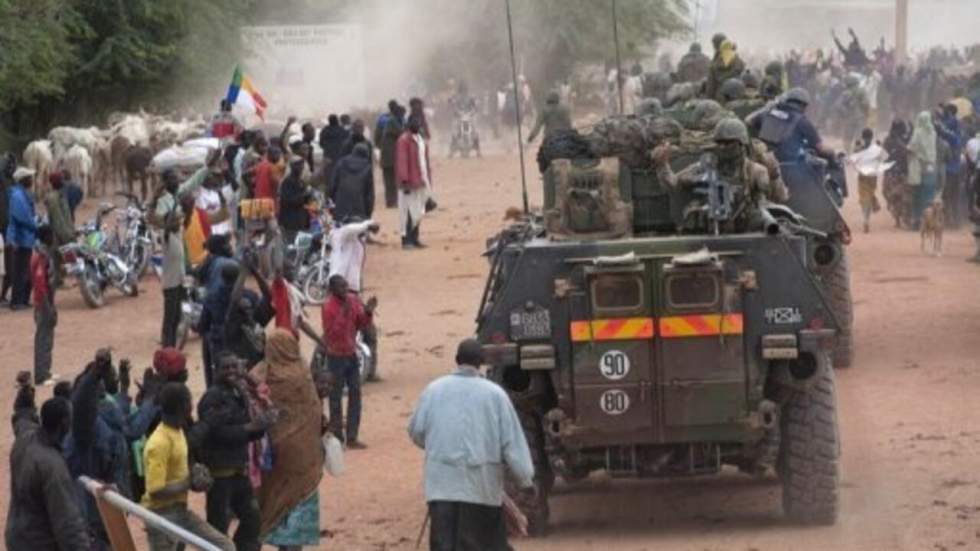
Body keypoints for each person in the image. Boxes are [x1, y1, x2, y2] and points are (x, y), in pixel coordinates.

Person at [407, 339, 535, 551]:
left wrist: (437, 448)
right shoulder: (495, 395)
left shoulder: (433, 391)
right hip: (481, 490)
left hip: (441, 488)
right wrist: (525, 479)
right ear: (482, 362)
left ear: (457, 361)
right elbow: (512, 443)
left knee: (444, 545)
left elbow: (416, 431)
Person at [252, 329, 324, 550]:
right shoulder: (303, 372)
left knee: (274, 501)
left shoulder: (259, 374)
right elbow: (315, 411)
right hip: (304, 458)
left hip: (274, 459)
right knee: (298, 501)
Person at [194, 353, 274, 551]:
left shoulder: (238, 394)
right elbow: (213, 433)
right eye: (225, 368)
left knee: (253, 520)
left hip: (240, 473)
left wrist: (261, 426)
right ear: (216, 370)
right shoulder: (212, 397)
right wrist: (248, 428)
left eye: (234, 367)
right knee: (218, 528)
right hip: (220, 476)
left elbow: (248, 431)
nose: (231, 371)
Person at [143, 383, 235, 551]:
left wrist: (198, 477)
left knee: (224, 547)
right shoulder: (159, 443)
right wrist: (188, 482)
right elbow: (155, 489)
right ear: (185, 406)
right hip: (161, 515)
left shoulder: (177, 432)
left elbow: (180, 471)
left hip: (180, 511)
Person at [653, 118, 782, 233]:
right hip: (710, 236)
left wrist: (775, 176)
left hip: (746, 235)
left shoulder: (755, 171)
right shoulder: (704, 167)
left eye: (728, 143)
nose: (722, 147)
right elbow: (673, 185)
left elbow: (774, 201)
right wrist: (662, 165)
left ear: (742, 144)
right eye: (719, 143)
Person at [6, 377, 91, 551]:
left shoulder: (26, 440)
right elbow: (67, 522)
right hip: (40, 543)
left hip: (17, 536)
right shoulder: (53, 467)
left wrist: (25, 394)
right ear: (64, 423)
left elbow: (22, 417)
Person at [149, 150, 223, 347]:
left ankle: (176, 341)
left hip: (182, 260)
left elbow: (194, 181)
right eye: (172, 178)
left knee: (181, 305)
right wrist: (168, 217)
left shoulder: (178, 195)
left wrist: (208, 166)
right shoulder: (164, 203)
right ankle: (168, 345)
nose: (176, 181)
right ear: (165, 183)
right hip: (172, 264)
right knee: (171, 311)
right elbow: (160, 220)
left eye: (177, 178)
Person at [321, 274, 376, 448]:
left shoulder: (352, 300)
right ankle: (337, 435)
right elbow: (331, 332)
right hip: (335, 355)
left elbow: (361, 324)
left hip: (350, 352)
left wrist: (367, 312)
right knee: (335, 396)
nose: (345, 290)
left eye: (346, 287)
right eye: (341, 288)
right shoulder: (328, 307)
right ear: (332, 290)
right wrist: (345, 311)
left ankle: (352, 436)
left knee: (355, 394)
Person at [748, 87, 835, 164]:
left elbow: (748, 121)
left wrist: (767, 107)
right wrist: (832, 154)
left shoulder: (768, 112)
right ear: (803, 105)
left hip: (764, 161)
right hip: (790, 167)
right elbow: (820, 148)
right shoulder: (802, 121)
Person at [396, 117, 432, 249]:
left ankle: (415, 238)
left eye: (418, 123)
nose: (417, 125)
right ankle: (406, 240)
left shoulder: (420, 140)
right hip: (408, 183)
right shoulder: (403, 140)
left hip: (421, 181)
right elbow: (402, 161)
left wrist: (428, 180)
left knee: (418, 212)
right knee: (406, 212)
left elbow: (424, 162)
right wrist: (404, 181)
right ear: (408, 125)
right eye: (415, 123)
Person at [6, 167, 38, 310]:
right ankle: (16, 301)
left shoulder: (21, 194)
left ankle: (22, 300)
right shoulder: (18, 196)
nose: (32, 180)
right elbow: (23, 217)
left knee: (25, 269)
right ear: (24, 180)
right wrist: (36, 226)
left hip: (25, 237)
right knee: (20, 271)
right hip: (21, 238)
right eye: (30, 178)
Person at [32, 225, 59, 386]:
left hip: (48, 299)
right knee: (42, 338)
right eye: (51, 236)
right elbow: (41, 284)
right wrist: (48, 306)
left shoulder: (45, 253)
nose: (54, 239)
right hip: (43, 302)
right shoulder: (41, 256)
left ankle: (46, 371)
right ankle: (41, 375)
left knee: (48, 337)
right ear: (46, 237)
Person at [848, 128, 888, 233]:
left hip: (862, 176)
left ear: (863, 137)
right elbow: (883, 158)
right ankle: (867, 218)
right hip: (872, 176)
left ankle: (866, 219)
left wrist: (856, 148)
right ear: (871, 137)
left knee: (863, 198)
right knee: (869, 197)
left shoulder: (859, 147)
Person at [180, 188, 229, 269]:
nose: (188, 202)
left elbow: (222, 215)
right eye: (186, 200)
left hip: (204, 261)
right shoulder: (176, 218)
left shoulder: (201, 214)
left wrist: (222, 200)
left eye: (190, 200)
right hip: (185, 264)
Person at [329, 218, 380, 294]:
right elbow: (351, 228)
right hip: (337, 282)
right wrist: (367, 226)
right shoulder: (343, 235)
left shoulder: (358, 240)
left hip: (351, 284)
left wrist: (371, 224)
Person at [329, 143, 375, 222]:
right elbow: (369, 195)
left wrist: (333, 204)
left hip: (341, 208)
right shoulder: (367, 167)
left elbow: (333, 186)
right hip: (360, 210)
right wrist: (368, 214)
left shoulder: (341, 163)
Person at [908, 110, 939, 229]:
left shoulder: (918, 132)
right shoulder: (933, 133)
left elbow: (912, 147)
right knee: (929, 194)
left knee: (917, 194)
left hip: (918, 167)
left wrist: (907, 149)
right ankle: (930, 221)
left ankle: (917, 221)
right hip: (931, 166)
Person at [936, 103, 965, 227]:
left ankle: (950, 221)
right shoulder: (957, 128)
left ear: (950, 113)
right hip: (957, 167)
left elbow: (943, 129)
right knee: (954, 195)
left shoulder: (952, 130)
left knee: (948, 195)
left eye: (946, 112)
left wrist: (938, 120)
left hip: (949, 168)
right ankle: (955, 220)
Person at [45, 173, 74, 287]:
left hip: (62, 231)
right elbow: (58, 220)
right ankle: (58, 281)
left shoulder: (60, 195)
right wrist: (67, 235)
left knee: (59, 258)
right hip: (58, 234)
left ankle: (59, 280)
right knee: (58, 257)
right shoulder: (54, 198)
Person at [375, 102, 405, 208]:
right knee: (392, 180)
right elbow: (402, 132)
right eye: (402, 114)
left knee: (389, 180)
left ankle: (391, 201)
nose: (403, 116)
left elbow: (376, 137)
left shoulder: (384, 120)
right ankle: (392, 201)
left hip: (387, 155)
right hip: (391, 156)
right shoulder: (393, 122)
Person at [883, 120, 912, 228]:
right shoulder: (892, 140)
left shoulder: (899, 139)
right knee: (895, 196)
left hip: (897, 171)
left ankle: (900, 219)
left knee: (898, 196)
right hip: (897, 171)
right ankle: (899, 219)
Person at [278, 158, 311, 247]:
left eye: (301, 166)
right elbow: (287, 200)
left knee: (302, 247)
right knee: (292, 247)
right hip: (291, 221)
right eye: (298, 165)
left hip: (302, 220)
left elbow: (305, 201)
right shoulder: (287, 182)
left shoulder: (301, 181)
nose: (300, 168)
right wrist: (303, 195)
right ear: (292, 167)